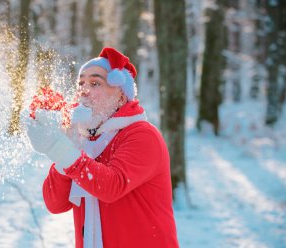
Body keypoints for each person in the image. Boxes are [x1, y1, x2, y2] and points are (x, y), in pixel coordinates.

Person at [26, 47, 179, 248]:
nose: (84, 91)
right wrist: (65, 146)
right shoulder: (83, 141)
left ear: (121, 97)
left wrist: (59, 149)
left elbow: (111, 186)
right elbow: (55, 203)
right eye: (81, 83)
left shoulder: (142, 135)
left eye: (95, 83)